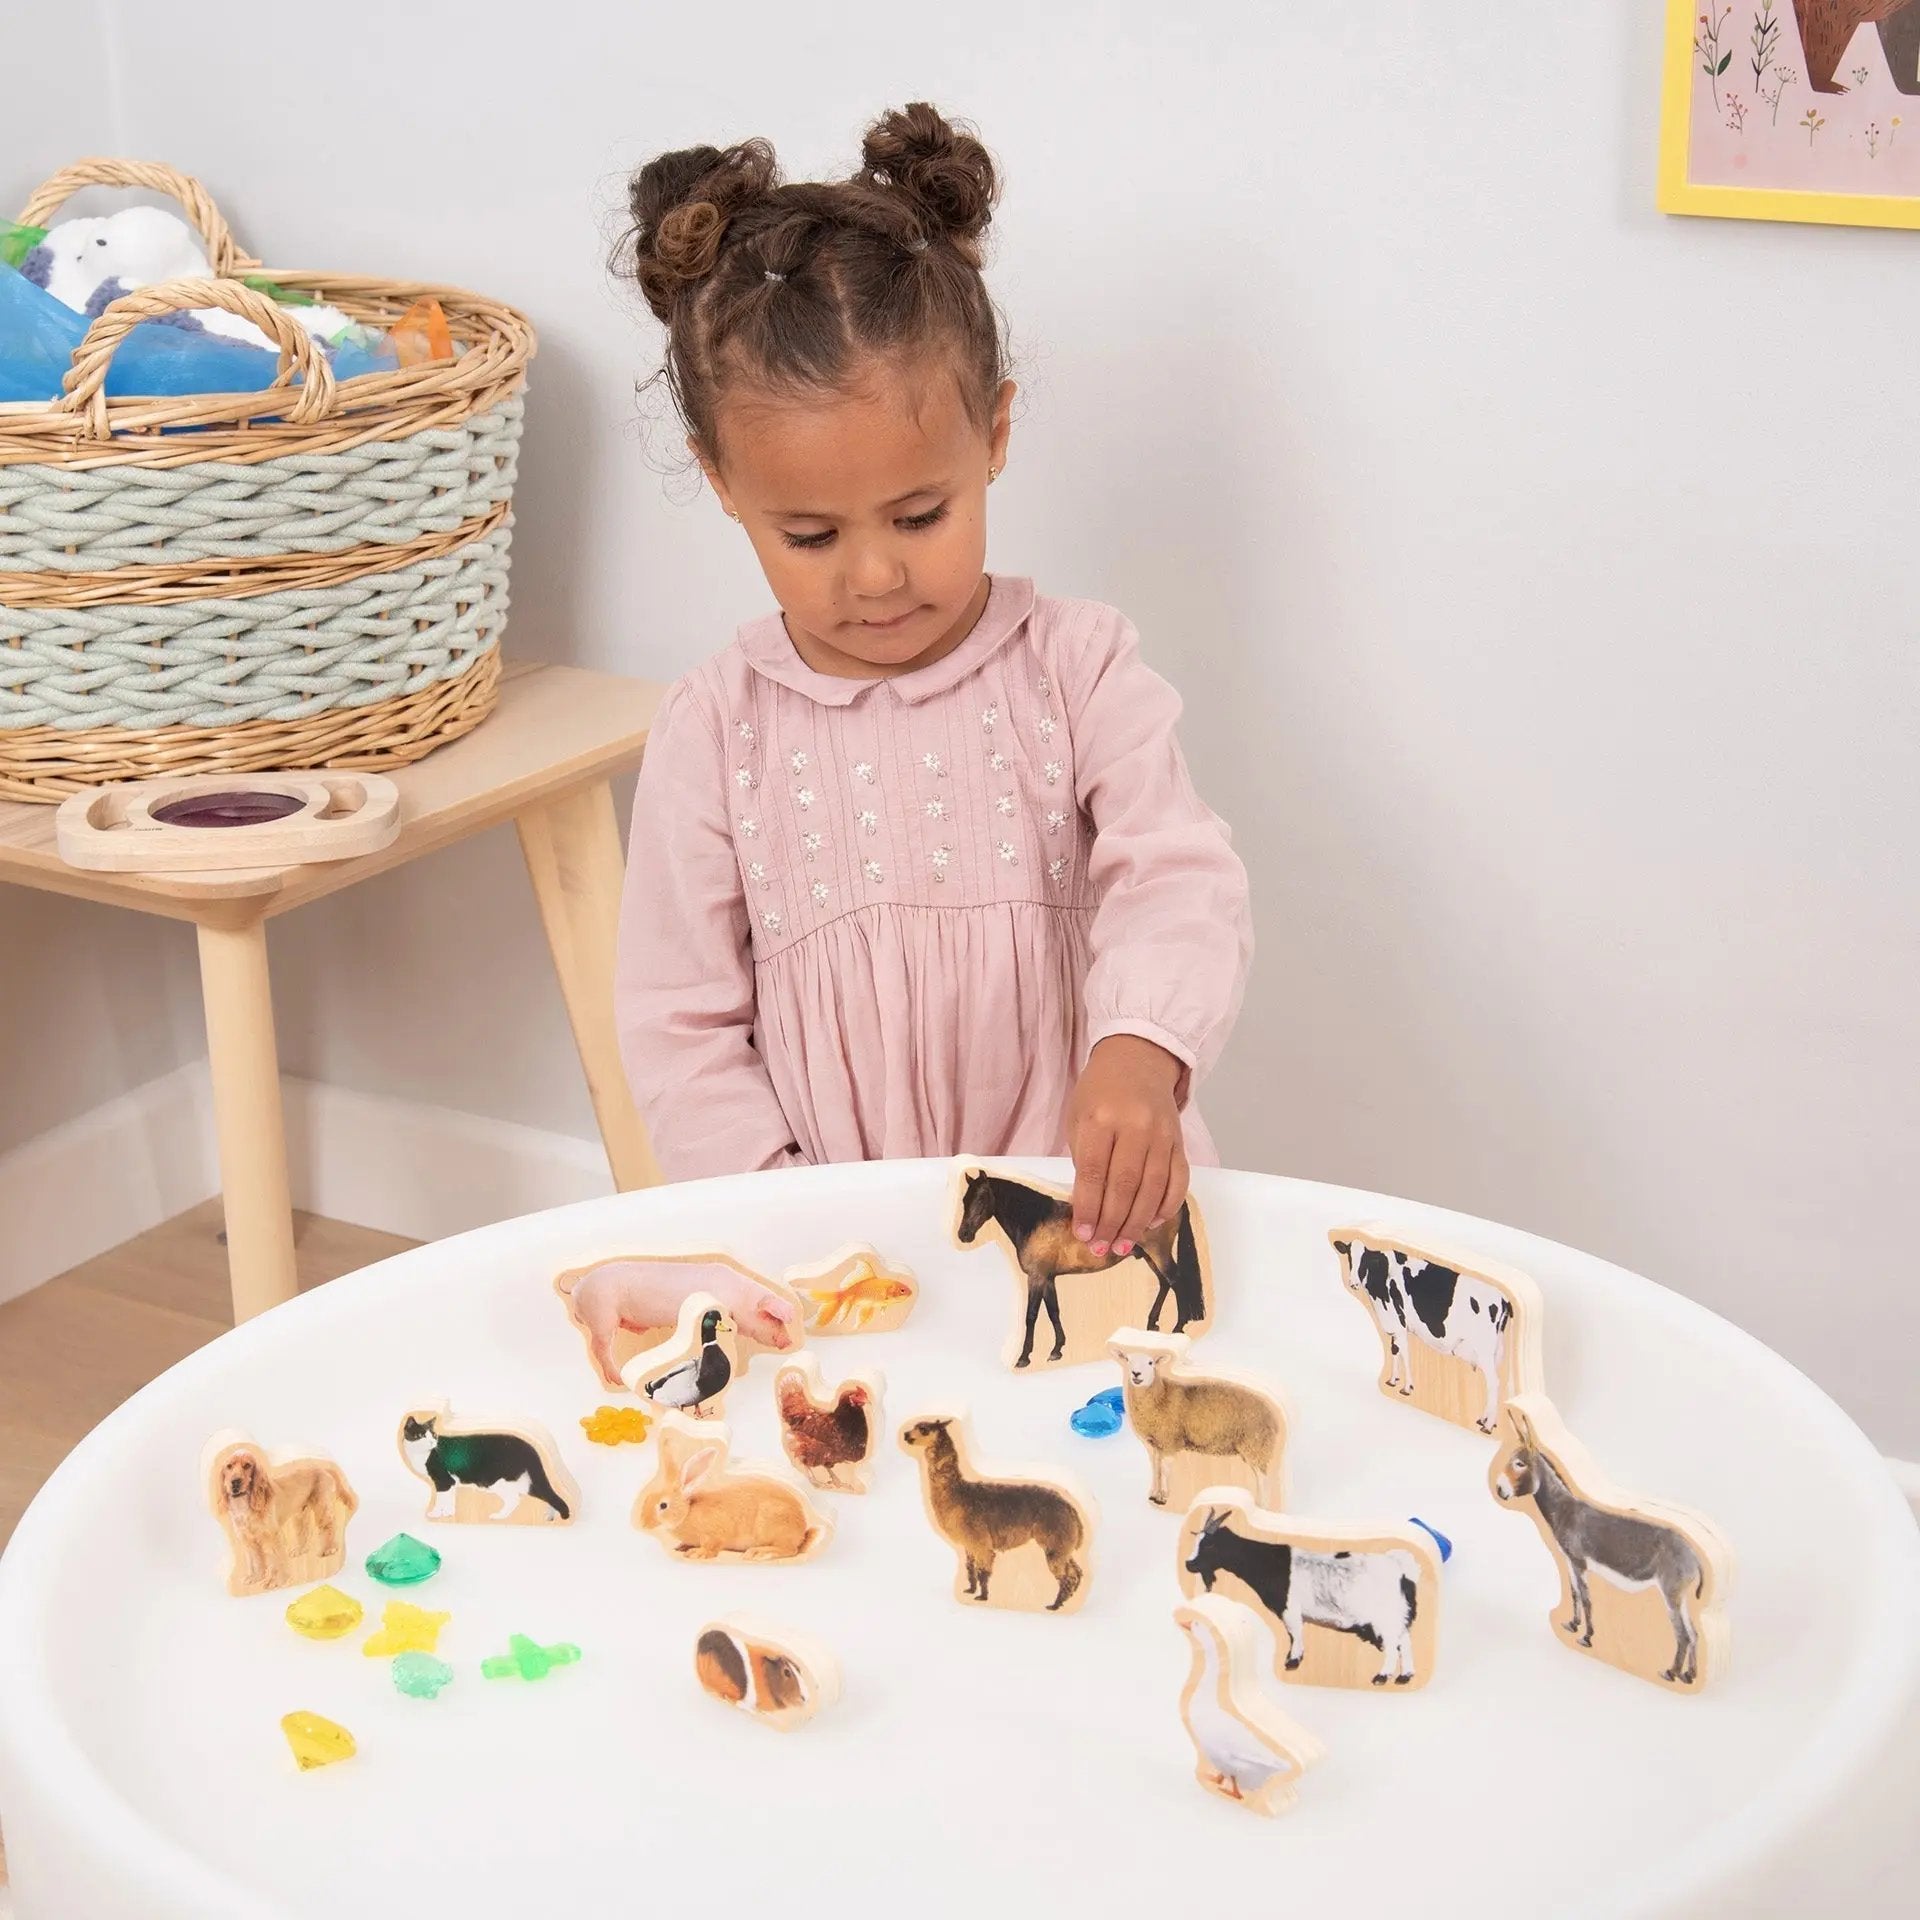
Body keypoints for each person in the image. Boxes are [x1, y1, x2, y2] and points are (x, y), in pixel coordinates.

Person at [613, 101, 1251, 1261]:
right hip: (844, 1244)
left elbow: (1180, 875)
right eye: (809, 536)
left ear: (995, 434)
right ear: (719, 482)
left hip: (1093, 1213)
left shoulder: (1078, 666)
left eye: (920, 515)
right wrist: (776, 1207)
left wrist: (1141, 1048)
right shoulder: (715, 729)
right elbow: (679, 1023)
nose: (874, 575)